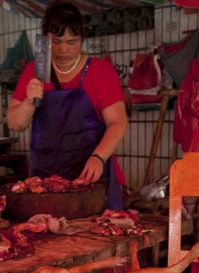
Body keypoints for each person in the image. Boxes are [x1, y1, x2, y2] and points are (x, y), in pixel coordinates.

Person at [7, 2, 128, 209]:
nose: (64, 49)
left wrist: (98, 157)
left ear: (82, 39)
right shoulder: (34, 70)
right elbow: (15, 124)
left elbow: (118, 122)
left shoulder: (100, 72)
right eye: (57, 41)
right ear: (46, 39)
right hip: (44, 184)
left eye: (72, 42)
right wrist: (28, 102)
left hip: (90, 179)